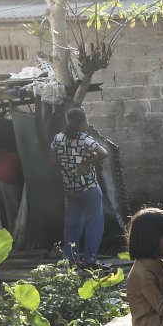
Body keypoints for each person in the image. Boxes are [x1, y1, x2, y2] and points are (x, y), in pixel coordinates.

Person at [50, 107, 108, 268]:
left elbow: (53, 161)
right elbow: (104, 153)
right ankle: (90, 260)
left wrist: (67, 165)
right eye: (86, 120)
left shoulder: (58, 138)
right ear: (82, 122)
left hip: (70, 189)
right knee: (93, 224)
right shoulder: (84, 138)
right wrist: (86, 162)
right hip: (89, 188)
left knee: (72, 225)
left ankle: (70, 260)